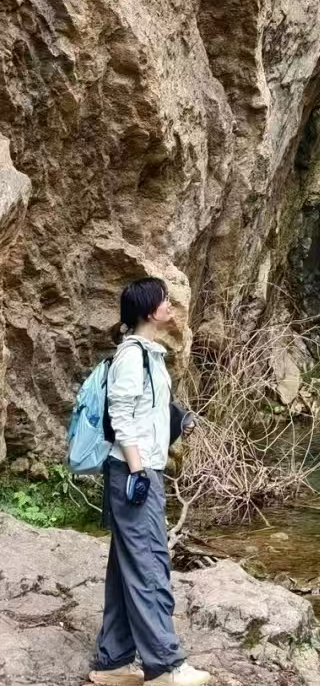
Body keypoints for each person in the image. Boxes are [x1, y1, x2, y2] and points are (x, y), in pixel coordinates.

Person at [88, 276, 207, 686]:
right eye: (164, 299)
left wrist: (178, 418)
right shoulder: (131, 357)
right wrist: (139, 471)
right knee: (150, 565)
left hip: (141, 469)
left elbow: (147, 409)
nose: (170, 304)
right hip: (133, 474)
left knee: (128, 566)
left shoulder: (149, 355)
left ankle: (113, 662)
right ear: (148, 311)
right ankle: (166, 666)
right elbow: (120, 415)